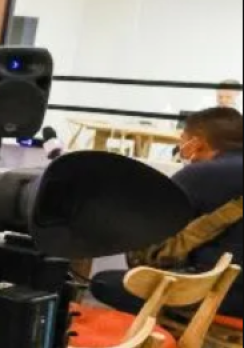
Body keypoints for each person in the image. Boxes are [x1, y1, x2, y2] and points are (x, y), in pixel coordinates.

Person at [91, 107, 244, 320]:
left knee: (104, 282)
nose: (180, 147)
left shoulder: (199, 174)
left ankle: (161, 334)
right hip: (233, 291)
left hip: (220, 295)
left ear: (197, 143)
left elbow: (149, 229)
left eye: (183, 140)